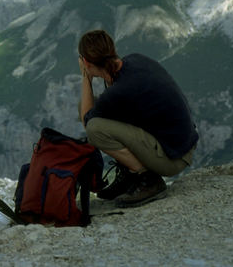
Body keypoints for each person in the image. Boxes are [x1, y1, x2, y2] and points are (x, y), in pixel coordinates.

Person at [77, 29, 198, 207]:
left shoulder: (119, 91)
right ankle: (130, 176)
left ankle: (148, 179)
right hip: (181, 144)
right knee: (94, 107)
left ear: (85, 62)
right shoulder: (135, 60)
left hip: (174, 158)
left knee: (95, 128)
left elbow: (87, 121)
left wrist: (86, 78)